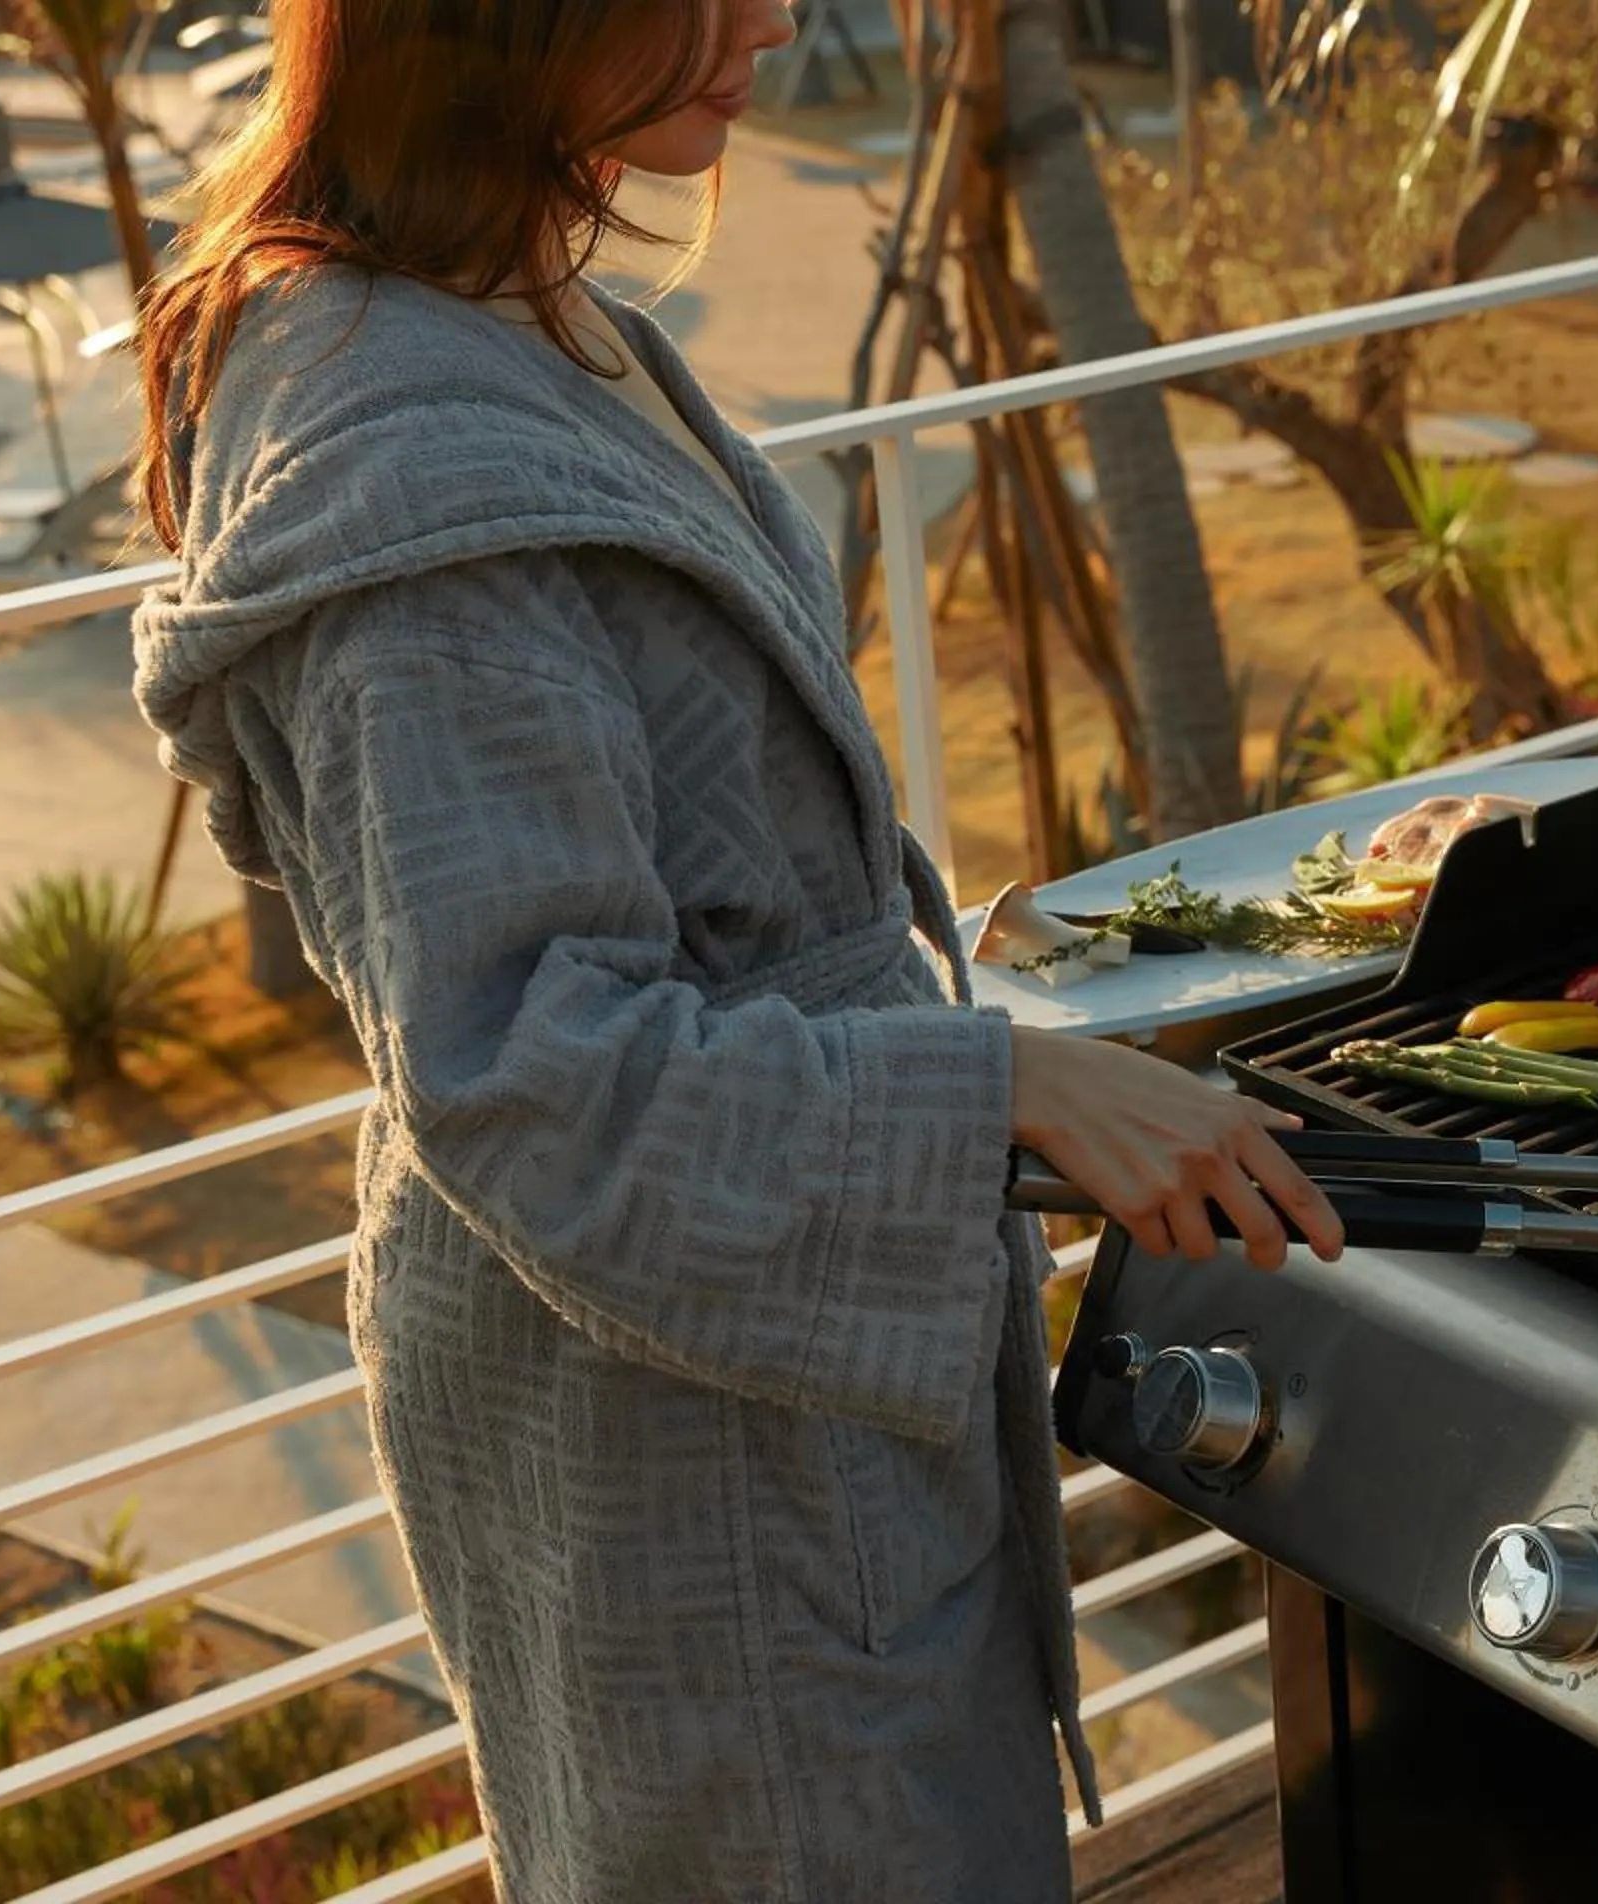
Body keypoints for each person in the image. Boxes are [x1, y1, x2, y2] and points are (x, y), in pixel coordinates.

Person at [127, 2, 1345, 1897]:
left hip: (760, 1406)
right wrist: (999, 1083)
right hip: (693, 1467)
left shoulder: (510, 313)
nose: (776, 16)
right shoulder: (406, 466)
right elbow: (537, 1079)